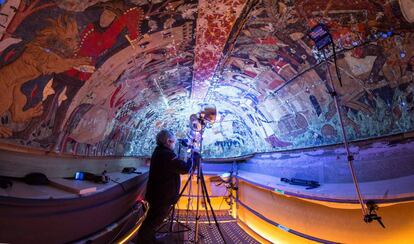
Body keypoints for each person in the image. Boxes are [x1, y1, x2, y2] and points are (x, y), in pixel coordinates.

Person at [135, 129, 197, 243]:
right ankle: (144, 241)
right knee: (153, 222)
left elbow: (175, 165)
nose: (174, 144)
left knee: (152, 220)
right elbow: (185, 168)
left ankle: (149, 240)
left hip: (157, 194)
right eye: (173, 141)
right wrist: (195, 156)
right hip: (162, 197)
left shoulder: (159, 151)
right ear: (168, 141)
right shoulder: (166, 154)